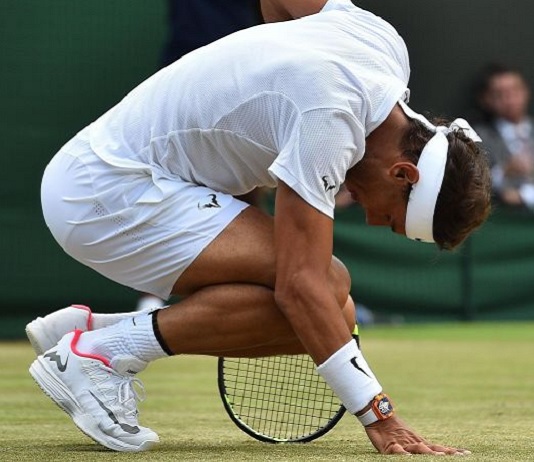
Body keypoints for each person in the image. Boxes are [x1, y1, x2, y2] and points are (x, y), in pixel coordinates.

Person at [28, 0, 491, 455]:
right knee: (323, 290)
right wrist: (380, 417)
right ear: (403, 174)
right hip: (104, 194)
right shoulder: (329, 123)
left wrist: (269, 106)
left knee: (335, 309)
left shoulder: (380, 42)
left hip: (119, 176)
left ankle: (92, 334)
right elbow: (300, 287)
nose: (371, 218)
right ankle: (99, 356)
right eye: (389, 217)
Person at [474, 63, 534, 209]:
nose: (510, 99)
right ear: (486, 99)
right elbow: (475, 183)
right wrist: (504, 171)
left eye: (515, 91)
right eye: (500, 94)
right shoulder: (479, 136)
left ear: (526, 92)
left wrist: (523, 196)